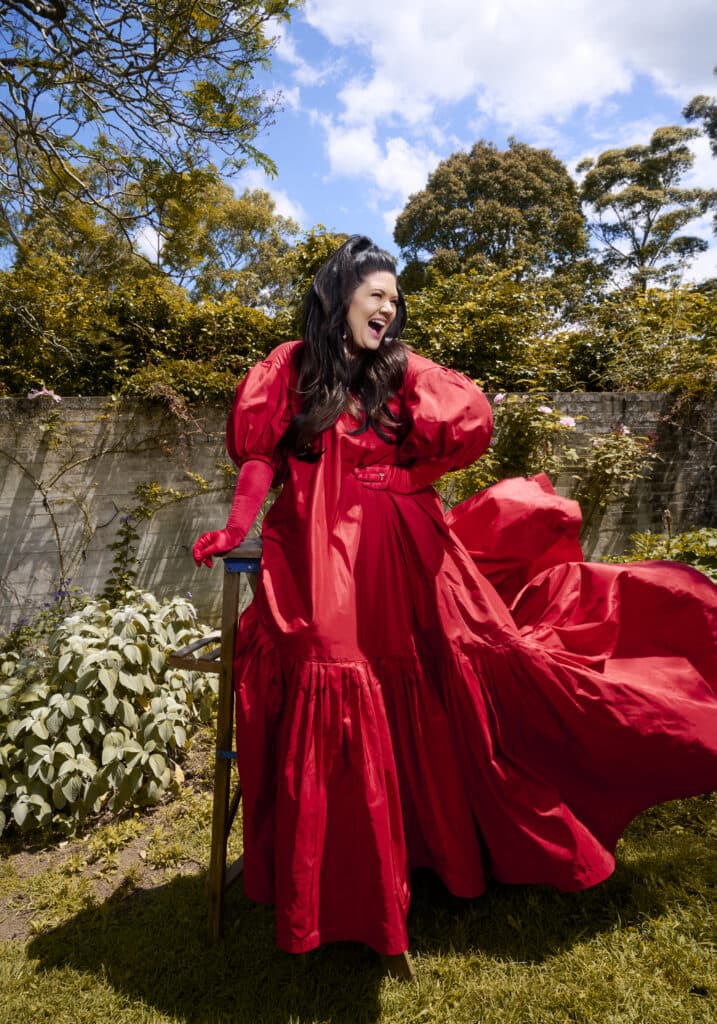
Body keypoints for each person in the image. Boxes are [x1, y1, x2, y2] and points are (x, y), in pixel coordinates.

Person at [193, 235, 717, 965]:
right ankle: (345, 890)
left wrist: (406, 479)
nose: (389, 307)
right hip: (315, 547)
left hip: (406, 546)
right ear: (337, 293)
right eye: (377, 293)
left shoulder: (399, 369)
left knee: (449, 673)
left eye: (395, 299)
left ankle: (444, 849)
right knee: (336, 678)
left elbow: (468, 425)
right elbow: (258, 458)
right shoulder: (288, 367)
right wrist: (231, 527)